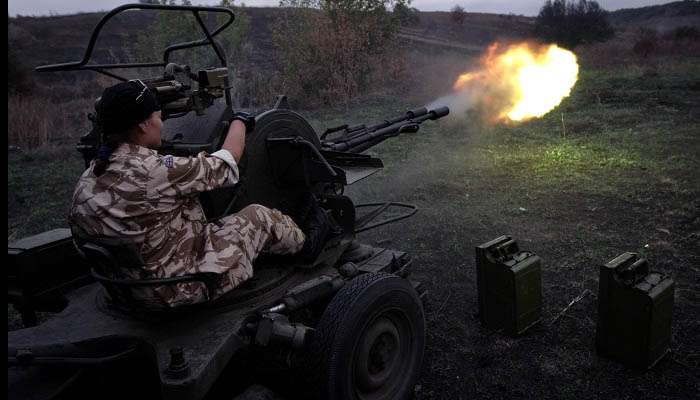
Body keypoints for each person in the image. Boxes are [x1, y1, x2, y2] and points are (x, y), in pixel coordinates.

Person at [69, 80, 326, 309]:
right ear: (143, 124)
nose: (161, 124)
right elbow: (227, 163)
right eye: (158, 117)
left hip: (125, 289)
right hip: (177, 289)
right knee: (259, 217)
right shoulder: (157, 171)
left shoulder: (88, 178)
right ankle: (307, 244)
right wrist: (239, 121)